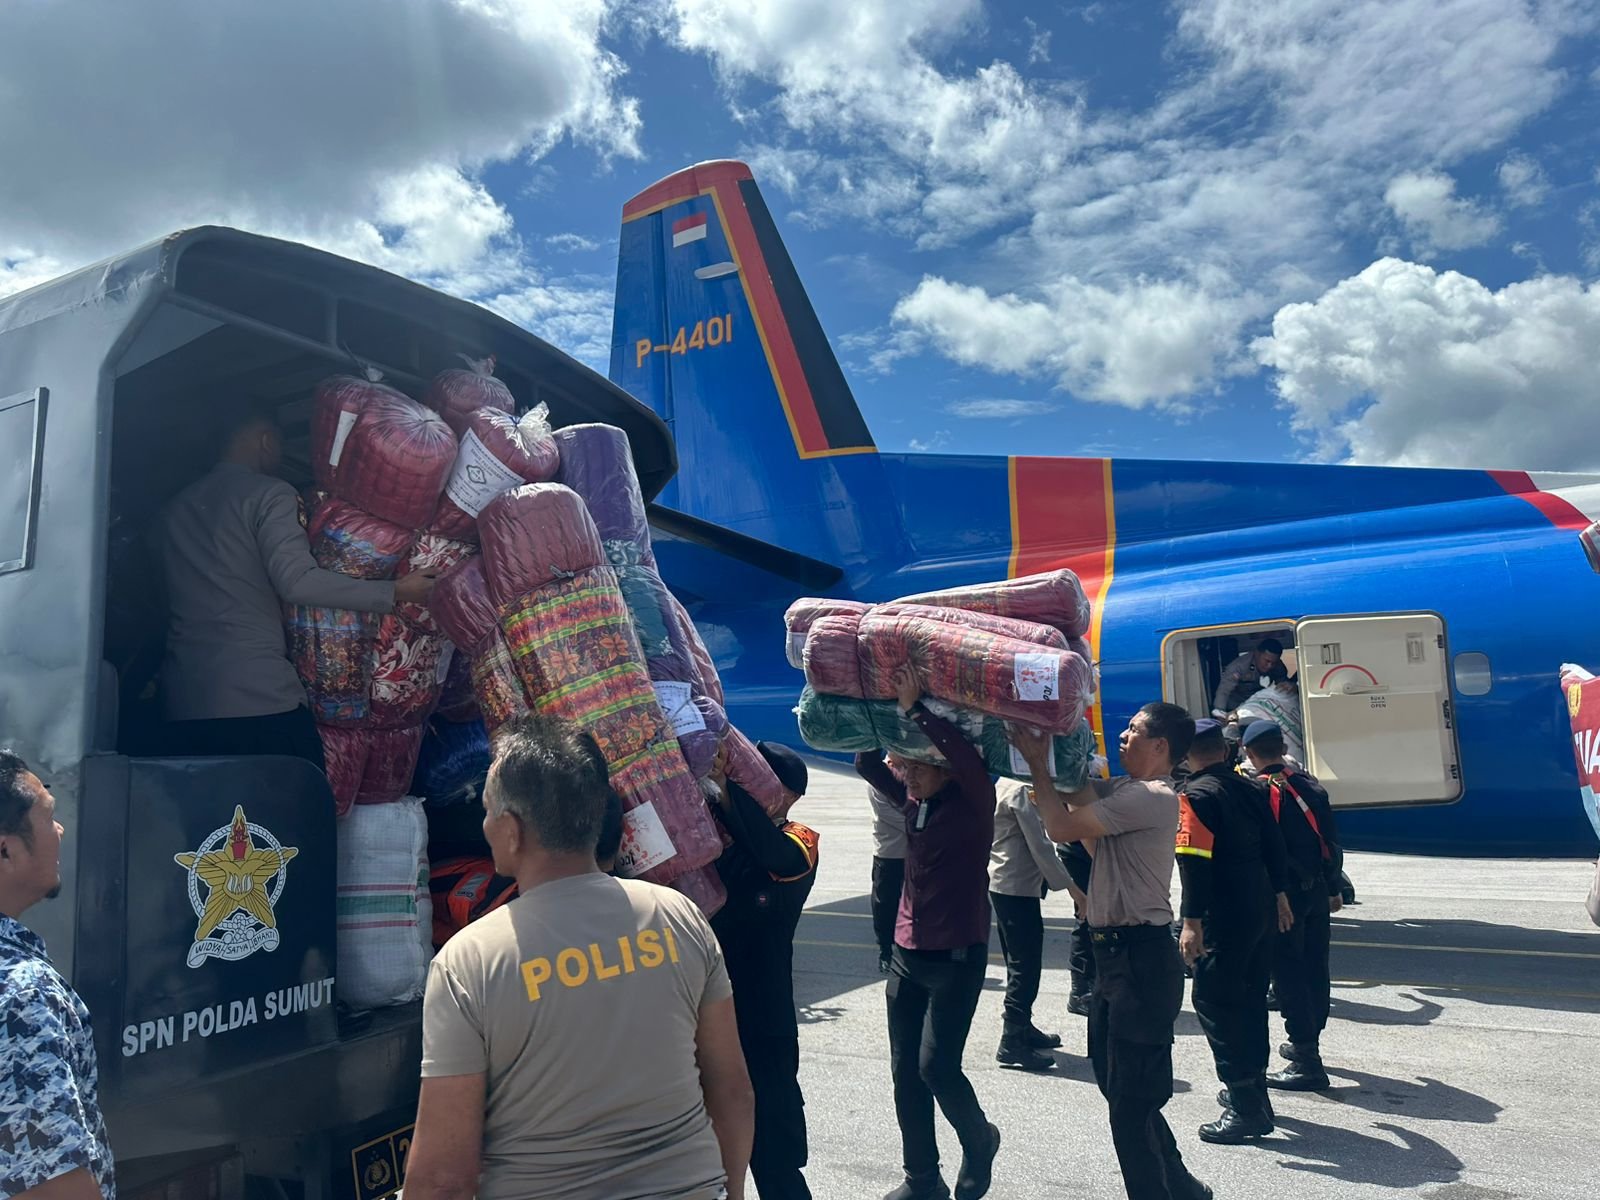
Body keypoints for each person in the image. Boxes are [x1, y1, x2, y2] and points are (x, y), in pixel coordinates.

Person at [404, 715, 754, 1200]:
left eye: (487, 811)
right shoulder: (677, 916)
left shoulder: (470, 961)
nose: (483, 825)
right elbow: (733, 1091)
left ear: (511, 830)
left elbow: (444, 1178)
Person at [157, 401, 437, 767]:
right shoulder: (268, 494)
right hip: (257, 699)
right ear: (266, 441)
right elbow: (298, 582)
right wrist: (397, 591)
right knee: (292, 797)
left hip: (184, 702)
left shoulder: (172, 510)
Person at [1016, 705, 1212, 1200]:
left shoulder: (1151, 796)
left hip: (1140, 959)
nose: (1123, 736)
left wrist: (1036, 761)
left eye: (1134, 731)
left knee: (1129, 1104)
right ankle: (1180, 1185)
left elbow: (1060, 827)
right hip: (1114, 959)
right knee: (1118, 1087)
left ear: (1161, 746)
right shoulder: (1128, 790)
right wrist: (1059, 742)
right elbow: (1075, 794)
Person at [854, 665, 1002, 1200]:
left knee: (936, 1067)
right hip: (906, 955)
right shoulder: (915, 801)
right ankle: (921, 1178)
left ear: (943, 768)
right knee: (904, 1072)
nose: (906, 774)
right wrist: (870, 704)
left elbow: (966, 759)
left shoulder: (974, 802)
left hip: (956, 957)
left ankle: (980, 1138)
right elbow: (866, 763)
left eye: (916, 765)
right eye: (905, 764)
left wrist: (916, 709)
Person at [705, 740, 821, 1200]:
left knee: (776, 1161)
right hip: (710, 1017)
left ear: (785, 794)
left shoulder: (799, 839)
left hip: (763, 1019)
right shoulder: (718, 829)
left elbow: (777, 857)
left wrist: (728, 791)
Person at [0, 751, 115, 1200]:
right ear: (5, 849)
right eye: (48, 817)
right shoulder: (20, 993)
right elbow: (51, 1188)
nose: (60, 830)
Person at [1174, 720, 1295, 1143]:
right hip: (1259, 904)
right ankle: (1254, 1090)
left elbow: (1193, 861)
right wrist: (1280, 893)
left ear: (1185, 755)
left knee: (1214, 1001)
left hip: (1222, 912)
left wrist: (1191, 921)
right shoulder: (1251, 787)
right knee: (1251, 999)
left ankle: (1245, 1105)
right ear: (1225, 751)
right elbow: (1274, 844)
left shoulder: (1195, 796)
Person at [1241, 721, 1344, 1092]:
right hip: (1316, 890)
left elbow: (1262, 851)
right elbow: (1330, 840)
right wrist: (1334, 886)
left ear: (1248, 753)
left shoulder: (1257, 793)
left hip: (1283, 898)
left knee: (1287, 974)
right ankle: (1309, 1039)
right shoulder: (1309, 785)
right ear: (1283, 748)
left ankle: (1306, 1058)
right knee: (1315, 968)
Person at [989, 778, 1080, 1071]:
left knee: (1019, 962)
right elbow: (1040, 844)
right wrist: (1074, 890)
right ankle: (1012, 1038)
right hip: (1015, 886)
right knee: (1024, 966)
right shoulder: (1020, 790)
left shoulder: (1004, 782)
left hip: (1007, 883)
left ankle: (1022, 1026)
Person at [869, 786, 908, 973]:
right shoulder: (878, 778)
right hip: (889, 851)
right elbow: (885, 812)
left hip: (915, 851)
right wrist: (922, 824)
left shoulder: (913, 775)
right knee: (884, 903)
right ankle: (885, 951)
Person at [1212, 639, 1285, 717]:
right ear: (1257, 654)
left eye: (1273, 663)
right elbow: (1223, 691)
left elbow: (1283, 684)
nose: (1269, 666)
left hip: (1259, 705)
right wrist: (1220, 713)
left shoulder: (1278, 666)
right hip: (1236, 706)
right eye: (1267, 661)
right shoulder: (1238, 667)